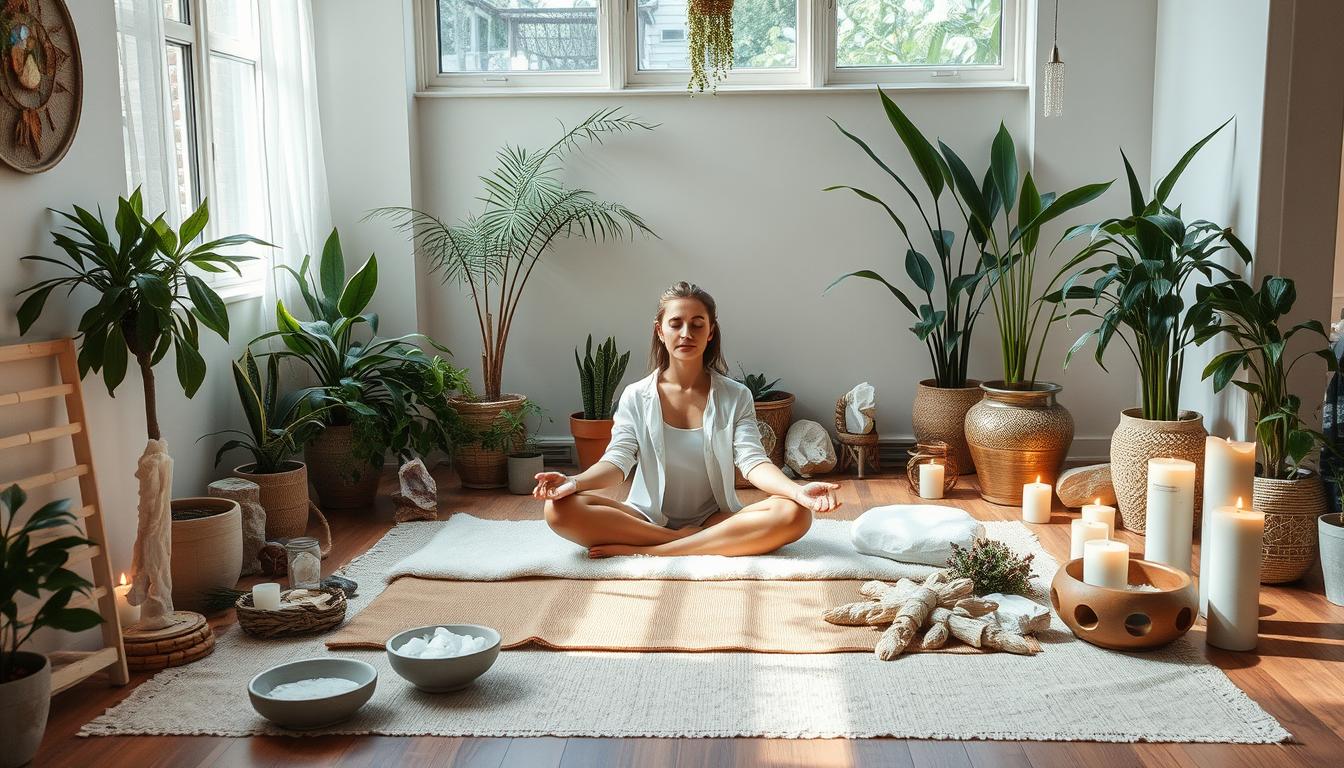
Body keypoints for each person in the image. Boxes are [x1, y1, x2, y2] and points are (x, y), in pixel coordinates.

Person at [534, 281, 841, 558]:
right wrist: (573, 482)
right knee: (559, 510)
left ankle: (655, 550)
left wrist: (796, 491)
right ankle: (683, 541)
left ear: (710, 332)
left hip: (716, 518)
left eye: (697, 325)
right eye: (676, 324)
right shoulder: (635, 396)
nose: (685, 334)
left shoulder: (736, 396)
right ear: (660, 330)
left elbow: (753, 462)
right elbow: (616, 463)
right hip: (644, 518)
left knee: (796, 513)